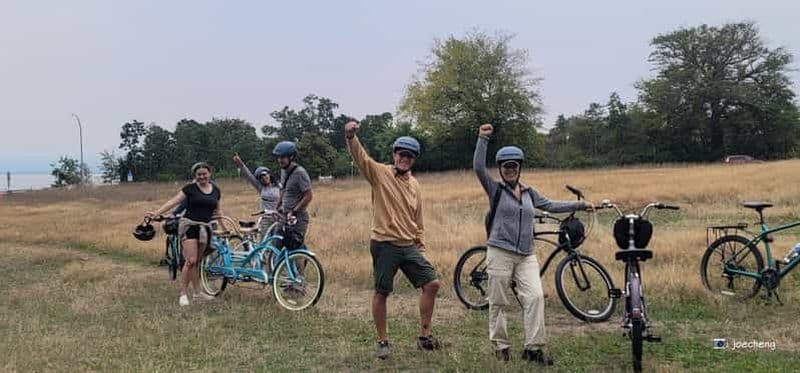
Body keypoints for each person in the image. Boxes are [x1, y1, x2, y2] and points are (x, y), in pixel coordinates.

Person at [473, 124, 592, 365]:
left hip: (526, 255)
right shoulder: (494, 189)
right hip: (500, 252)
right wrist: (482, 140)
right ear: (500, 169)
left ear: (519, 168)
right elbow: (477, 167)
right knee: (498, 302)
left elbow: (551, 205)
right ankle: (501, 346)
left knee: (536, 297)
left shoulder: (529, 192)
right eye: (506, 166)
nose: (510, 170)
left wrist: (580, 205)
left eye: (514, 166)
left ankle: (533, 349)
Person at [344, 119, 441, 360]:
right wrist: (350, 137)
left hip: (408, 245)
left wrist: (421, 246)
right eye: (401, 154)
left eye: (409, 156)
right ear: (394, 154)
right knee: (382, 292)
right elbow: (361, 159)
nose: (404, 159)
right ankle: (382, 341)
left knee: (432, 284)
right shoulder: (380, 174)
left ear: (413, 159)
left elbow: (418, 220)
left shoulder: (415, 185)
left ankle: (425, 336)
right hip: (384, 243)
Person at [145, 162, 223, 306]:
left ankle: (198, 294)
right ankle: (183, 293)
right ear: (195, 176)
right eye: (199, 174)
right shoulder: (190, 189)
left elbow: (217, 212)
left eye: (204, 174)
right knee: (191, 260)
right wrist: (157, 213)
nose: (202, 177)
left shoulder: (216, 190)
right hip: (189, 225)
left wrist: (225, 228)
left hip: (205, 228)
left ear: (210, 174)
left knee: (197, 263)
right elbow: (173, 201)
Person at [272, 141, 313, 250]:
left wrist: (294, 211)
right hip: (284, 216)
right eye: (279, 157)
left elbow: (308, 196)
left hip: (297, 218)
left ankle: (300, 264)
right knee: (276, 244)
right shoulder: (283, 171)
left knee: (294, 247)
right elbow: (284, 191)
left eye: (283, 157)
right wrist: (276, 208)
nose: (280, 160)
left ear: (291, 157)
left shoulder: (300, 173)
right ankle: (276, 266)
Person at [233, 153, 281, 235]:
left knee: (278, 242)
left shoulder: (279, 186)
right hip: (266, 219)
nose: (264, 178)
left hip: (279, 218)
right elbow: (249, 176)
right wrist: (241, 164)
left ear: (269, 174)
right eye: (260, 178)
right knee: (265, 242)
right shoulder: (261, 187)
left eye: (265, 175)